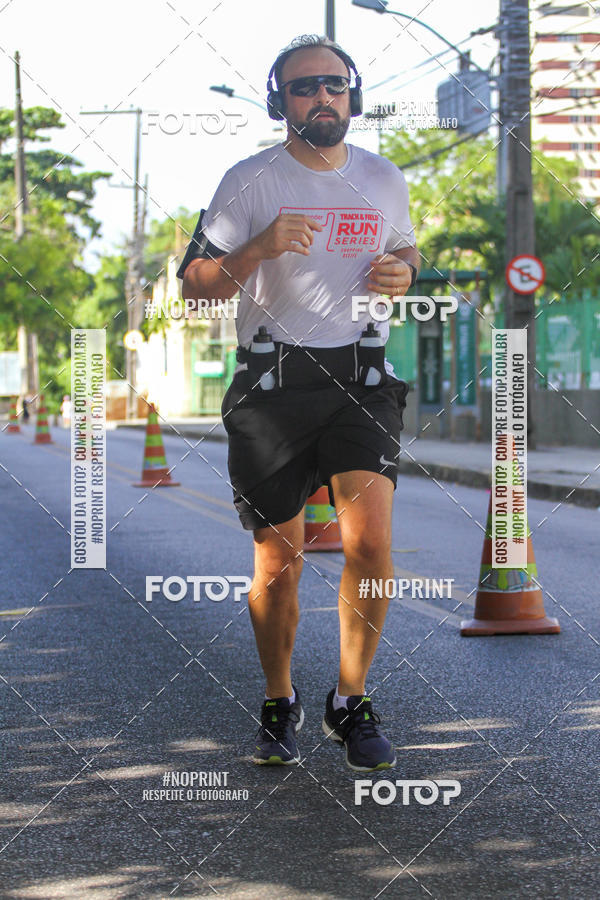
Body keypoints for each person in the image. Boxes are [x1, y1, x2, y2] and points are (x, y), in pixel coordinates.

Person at [179, 34, 419, 772]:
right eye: (306, 87)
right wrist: (256, 247)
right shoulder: (248, 180)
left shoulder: (384, 179)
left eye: (336, 85)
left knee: (370, 545)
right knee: (277, 561)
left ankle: (350, 700)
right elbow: (194, 284)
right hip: (272, 384)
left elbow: (406, 249)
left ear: (354, 93)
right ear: (278, 101)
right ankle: (279, 701)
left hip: (362, 380)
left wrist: (403, 270)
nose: (324, 98)